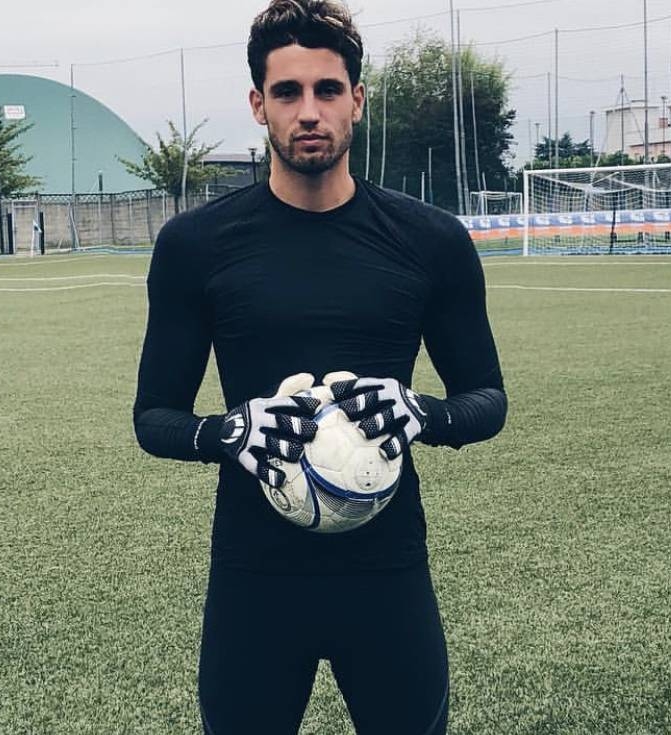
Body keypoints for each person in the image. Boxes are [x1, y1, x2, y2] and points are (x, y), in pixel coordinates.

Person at [132, 1, 508, 732]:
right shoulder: (195, 245)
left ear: (357, 101)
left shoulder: (429, 240)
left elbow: (486, 398)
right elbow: (154, 417)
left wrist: (423, 413)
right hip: (254, 575)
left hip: (387, 572)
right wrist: (228, 431)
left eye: (327, 90)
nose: (309, 111)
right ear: (258, 105)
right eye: (287, 91)